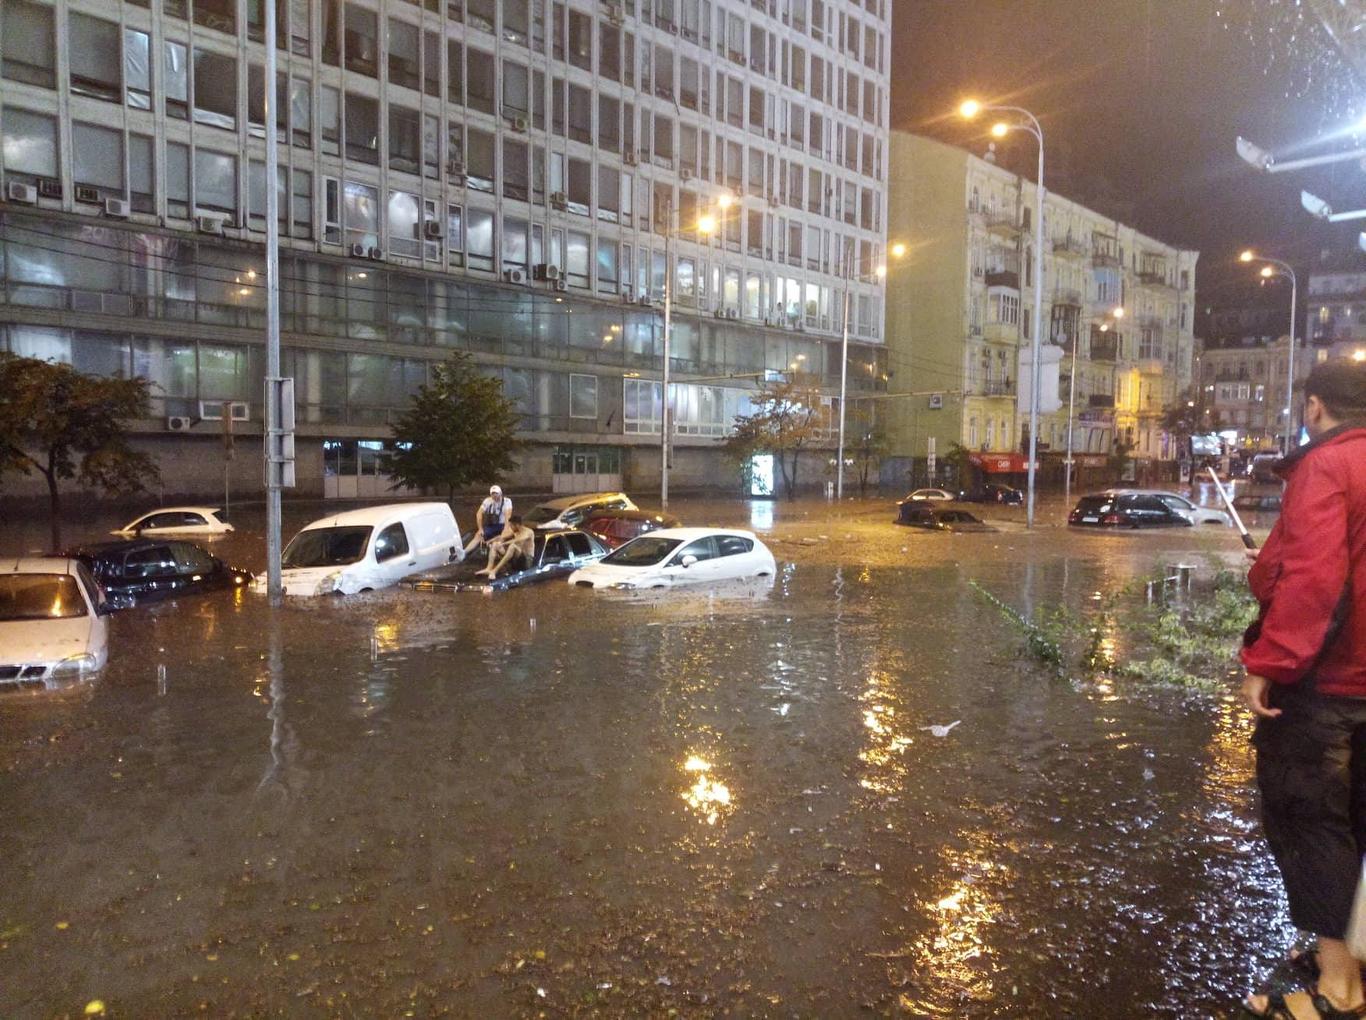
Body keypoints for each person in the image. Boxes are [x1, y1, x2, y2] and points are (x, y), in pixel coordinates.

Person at [1242, 358, 1366, 1019]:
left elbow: (1313, 579)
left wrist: (1271, 662)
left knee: (1313, 821)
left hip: (1328, 683)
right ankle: (1353, 954)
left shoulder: (1327, 465)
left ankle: (1339, 990)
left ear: (1315, 407)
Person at [477, 514, 534, 580]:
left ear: (517, 525)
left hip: (526, 561)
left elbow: (517, 540)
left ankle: (494, 571)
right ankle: (489, 568)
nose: (510, 527)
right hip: (515, 559)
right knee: (495, 544)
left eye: (511, 525)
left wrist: (503, 544)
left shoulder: (529, 532)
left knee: (512, 546)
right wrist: (489, 541)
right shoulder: (516, 532)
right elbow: (501, 537)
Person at [463, 485, 511, 558]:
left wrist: (506, 528)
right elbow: (479, 514)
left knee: (503, 536)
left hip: (503, 524)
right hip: (491, 525)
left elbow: (508, 515)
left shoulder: (507, 501)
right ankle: (464, 552)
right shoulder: (487, 501)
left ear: (500, 493)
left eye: (496, 493)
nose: (494, 496)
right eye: (492, 494)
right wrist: (480, 528)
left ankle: (502, 554)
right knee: (478, 535)